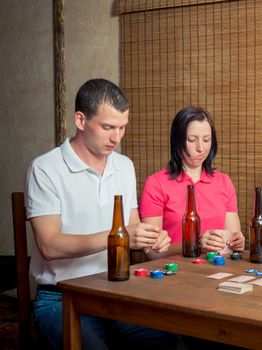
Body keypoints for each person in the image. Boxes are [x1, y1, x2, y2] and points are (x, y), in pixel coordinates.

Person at [25, 79, 184, 349]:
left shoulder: (124, 166)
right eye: (108, 127)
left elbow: (134, 228)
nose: (116, 138)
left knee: (171, 343)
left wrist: (151, 238)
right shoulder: (45, 168)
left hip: (115, 288)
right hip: (60, 295)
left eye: (122, 128)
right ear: (81, 120)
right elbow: (49, 246)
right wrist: (120, 236)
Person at [139, 107, 244, 257]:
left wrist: (238, 242)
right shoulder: (156, 183)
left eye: (207, 140)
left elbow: (233, 240)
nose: (201, 148)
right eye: (192, 140)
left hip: (218, 269)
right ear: (177, 141)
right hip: (175, 272)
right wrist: (195, 244)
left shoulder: (223, 181)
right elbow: (151, 252)